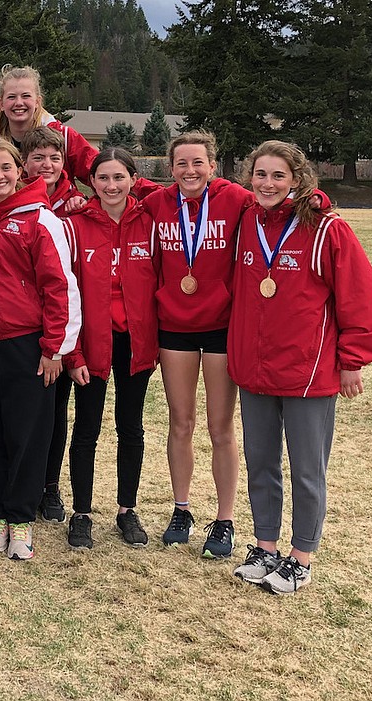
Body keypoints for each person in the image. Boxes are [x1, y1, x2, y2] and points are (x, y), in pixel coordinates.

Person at [228, 141, 372, 594]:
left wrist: (353, 360)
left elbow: (360, 298)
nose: (268, 184)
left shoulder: (327, 229)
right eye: (260, 175)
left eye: (278, 176)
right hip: (255, 368)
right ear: (249, 178)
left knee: (306, 468)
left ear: (297, 179)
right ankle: (265, 547)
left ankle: (302, 556)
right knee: (260, 462)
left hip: (308, 371)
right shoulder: (247, 221)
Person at [141, 131, 252, 558]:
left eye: (198, 163)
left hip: (222, 326)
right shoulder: (156, 202)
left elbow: (278, 196)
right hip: (175, 326)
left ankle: (224, 520)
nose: (190, 171)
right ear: (171, 168)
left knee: (220, 427)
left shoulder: (235, 199)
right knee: (180, 422)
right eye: (182, 164)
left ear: (212, 165)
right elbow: (111, 193)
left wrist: (315, 199)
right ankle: (181, 508)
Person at [0, 137, 80, 561]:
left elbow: (61, 287)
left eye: (5, 168)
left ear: (20, 171)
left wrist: (55, 349)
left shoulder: (40, 218)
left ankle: (20, 518)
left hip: (28, 344)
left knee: (27, 433)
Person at [64, 149, 159, 551]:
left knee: (130, 427)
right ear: (91, 182)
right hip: (91, 343)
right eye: (103, 178)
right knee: (86, 428)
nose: (111, 186)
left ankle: (126, 509)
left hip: (137, 343)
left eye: (119, 177)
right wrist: (73, 354)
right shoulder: (75, 225)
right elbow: (64, 293)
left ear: (134, 179)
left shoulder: (152, 221)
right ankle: (81, 513)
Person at [19, 126, 87, 524]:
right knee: (26, 410)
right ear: (24, 162)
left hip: (61, 321)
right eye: (38, 157)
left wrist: (67, 343)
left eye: (54, 158)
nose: (46, 165)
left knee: (55, 410)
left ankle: (49, 486)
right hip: (23, 322)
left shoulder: (75, 204)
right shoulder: (11, 197)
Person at [0, 64, 98, 190]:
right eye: (11, 97)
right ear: (1, 104)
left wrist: (80, 200)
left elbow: (101, 175)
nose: (19, 103)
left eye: (26, 96)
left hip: (55, 208)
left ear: (37, 102)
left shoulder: (63, 136)